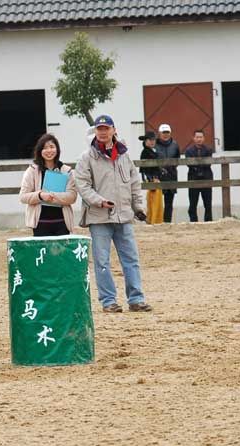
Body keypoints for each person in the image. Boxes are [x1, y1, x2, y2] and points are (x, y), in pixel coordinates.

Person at [73, 114, 152, 313]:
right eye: (99, 129)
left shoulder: (125, 156)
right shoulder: (86, 157)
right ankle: (108, 301)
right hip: (99, 217)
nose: (102, 132)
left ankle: (136, 299)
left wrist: (139, 208)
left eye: (106, 128)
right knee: (102, 261)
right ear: (95, 132)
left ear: (114, 130)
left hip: (124, 215)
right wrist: (99, 201)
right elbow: (82, 185)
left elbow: (134, 184)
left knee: (131, 259)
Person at [19, 133, 76, 236]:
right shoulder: (32, 171)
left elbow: (72, 196)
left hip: (62, 223)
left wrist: (52, 196)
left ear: (57, 149)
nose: (49, 151)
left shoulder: (66, 171)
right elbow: (23, 196)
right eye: (45, 148)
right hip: (40, 223)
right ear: (40, 151)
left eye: (52, 147)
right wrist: (40, 196)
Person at [184, 129, 214, 222]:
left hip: (206, 178)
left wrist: (199, 166)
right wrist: (197, 168)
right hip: (193, 178)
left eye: (200, 137)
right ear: (194, 138)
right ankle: (193, 221)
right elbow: (189, 164)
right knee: (193, 203)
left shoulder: (208, 149)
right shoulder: (188, 150)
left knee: (207, 203)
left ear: (204, 138)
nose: (199, 139)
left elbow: (208, 163)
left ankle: (208, 221)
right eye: (197, 137)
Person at [155, 124, 180, 223]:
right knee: (157, 200)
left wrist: (171, 168)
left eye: (167, 133)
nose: (165, 135)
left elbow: (177, 159)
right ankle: (156, 221)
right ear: (159, 133)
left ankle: (167, 222)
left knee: (169, 201)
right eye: (163, 133)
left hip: (171, 175)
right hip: (158, 175)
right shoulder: (154, 145)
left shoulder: (175, 144)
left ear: (170, 133)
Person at [138, 131, 164, 225]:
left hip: (155, 177)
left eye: (153, 140)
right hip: (152, 178)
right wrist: (150, 178)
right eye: (150, 140)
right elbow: (144, 168)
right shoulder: (145, 152)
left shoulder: (152, 151)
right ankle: (154, 220)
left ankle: (154, 220)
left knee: (155, 201)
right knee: (154, 201)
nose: (152, 142)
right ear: (146, 141)